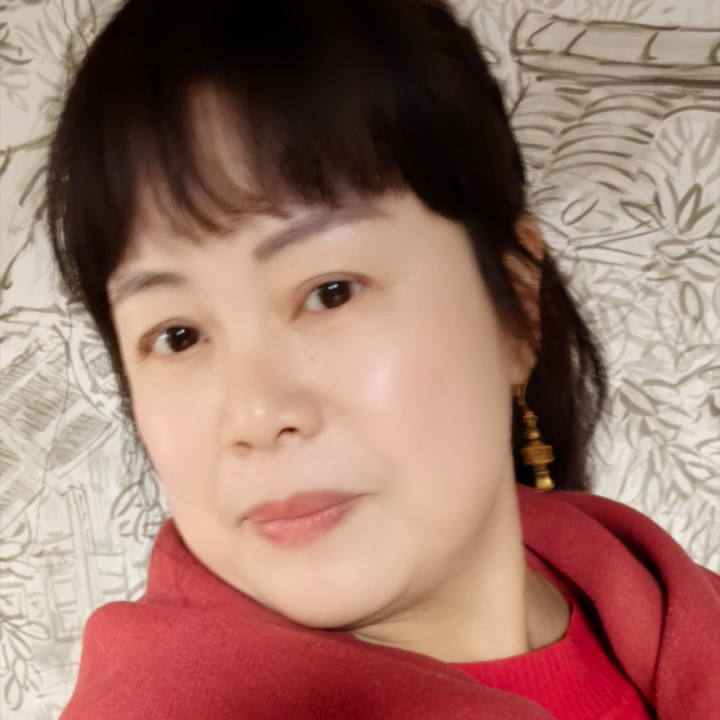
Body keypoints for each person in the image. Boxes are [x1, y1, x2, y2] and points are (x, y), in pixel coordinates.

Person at [47, 0, 719, 718]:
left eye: (330, 292)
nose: (257, 414)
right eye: (178, 336)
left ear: (518, 305)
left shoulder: (670, 606)